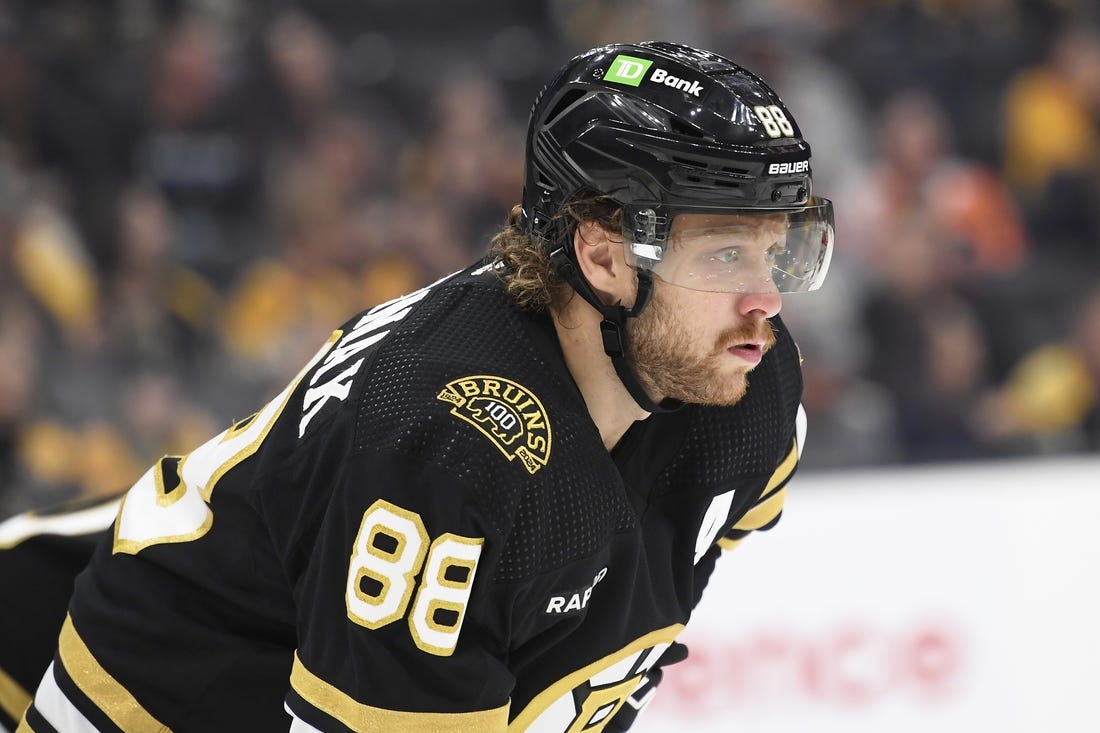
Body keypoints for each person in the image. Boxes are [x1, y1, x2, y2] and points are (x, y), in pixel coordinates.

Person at [13, 41, 833, 732]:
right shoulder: (451, 442)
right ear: (604, 255)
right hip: (154, 698)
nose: (767, 298)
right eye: (726, 254)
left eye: (780, 249)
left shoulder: (750, 390)